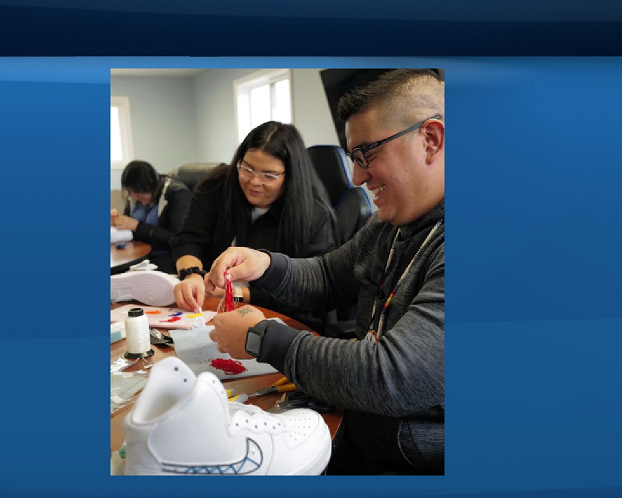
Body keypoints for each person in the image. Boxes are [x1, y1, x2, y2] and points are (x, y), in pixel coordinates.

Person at [206, 70, 445, 474]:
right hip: (358, 425)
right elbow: (329, 277)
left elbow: (392, 376)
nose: (357, 176)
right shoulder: (391, 222)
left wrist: (260, 338)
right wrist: (264, 264)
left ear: (431, 139)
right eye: (353, 157)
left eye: (366, 153)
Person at [170, 121, 338, 329]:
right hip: (211, 309)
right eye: (247, 168)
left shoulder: (314, 214)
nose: (254, 181)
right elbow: (189, 239)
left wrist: (236, 293)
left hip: (283, 321)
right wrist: (192, 275)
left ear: (291, 175)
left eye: (269, 175)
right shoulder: (216, 187)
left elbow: (311, 290)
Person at [112, 160, 192, 273]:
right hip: (137, 253)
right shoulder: (134, 198)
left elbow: (177, 237)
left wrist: (137, 226)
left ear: (151, 186)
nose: (135, 197)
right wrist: (117, 222)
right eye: (131, 192)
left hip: (166, 256)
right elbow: (129, 224)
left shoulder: (177, 194)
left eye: (139, 192)